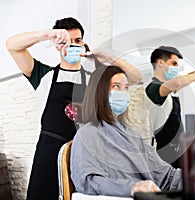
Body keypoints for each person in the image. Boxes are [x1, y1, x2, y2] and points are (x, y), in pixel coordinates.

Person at [6, 17, 141, 200]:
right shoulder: (43, 75)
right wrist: (47, 35)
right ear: (58, 45)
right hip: (48, 157)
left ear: (83, 43)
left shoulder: (95, 79)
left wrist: (108, 58)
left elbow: (135, 77)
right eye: (67, 41)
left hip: (84, 156)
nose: (73, 45)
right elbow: (12, 45)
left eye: (77, 41)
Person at [70, 66, 182, 197]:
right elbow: (89, 181)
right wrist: (132, 188)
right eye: (116, 86)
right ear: (99, 92)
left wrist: (191, 177)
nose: (123, 93)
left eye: (126, 87)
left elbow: (164, 175)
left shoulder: (132, 135)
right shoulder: (87, 134)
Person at [145, 46, 195, 168]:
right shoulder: (153, 88)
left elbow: (178, 84)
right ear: (160, 63)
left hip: (177, 155)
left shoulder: (168, 94)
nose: (175, 69)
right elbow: (177, 83)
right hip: (163, 159)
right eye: (173, 64)